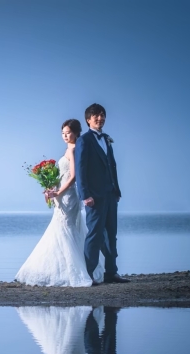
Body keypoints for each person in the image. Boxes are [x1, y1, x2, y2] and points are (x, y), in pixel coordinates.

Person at [15, 119, 104, 286]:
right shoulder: (67, 149)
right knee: (61, 230)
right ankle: (63, 269)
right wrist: (51, 189)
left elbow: (74, 176)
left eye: (68, 133)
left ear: (76, 133)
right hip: (61, 196)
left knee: (66, 230)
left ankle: (76, 271)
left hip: (68, 197)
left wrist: (58, 192)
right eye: (63, 133)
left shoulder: (74, 149)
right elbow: (62, 176)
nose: (65, 136)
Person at [74, 104, 129, 284]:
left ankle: (111, 272)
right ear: (88, 119)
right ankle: (89, 274)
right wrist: (85, 195)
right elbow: (80, 170)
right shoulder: (84, 140)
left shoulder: (106, 139)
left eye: (102, 115)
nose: (100, 118)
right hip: (94, 197)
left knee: (111, 234)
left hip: (110, 194)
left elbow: (112, 165)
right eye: (96, 116)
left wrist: (116, 190)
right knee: (95, 234)